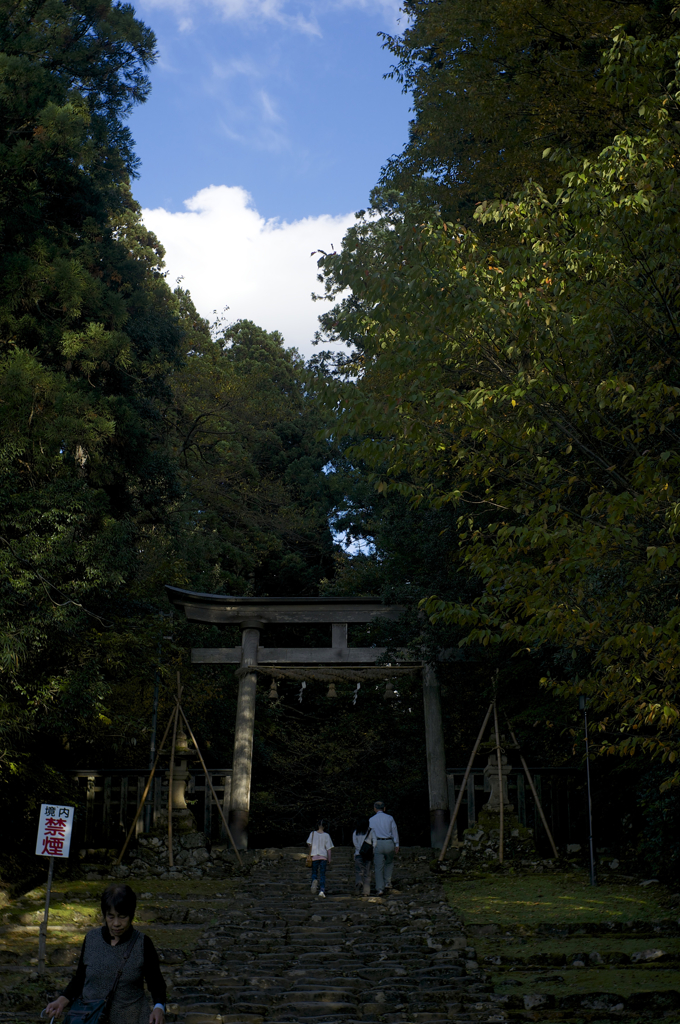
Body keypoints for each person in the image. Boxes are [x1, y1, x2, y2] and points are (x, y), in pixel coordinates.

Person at [43, 884, 166, 1024]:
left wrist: (159, 1008)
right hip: (91, 1018)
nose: (116, 923)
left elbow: (157, 984)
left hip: (132, 1017)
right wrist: (61, 1000)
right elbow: (81, 978)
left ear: (131, 915)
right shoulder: (91, 939)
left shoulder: (143, 943)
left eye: (122, 917)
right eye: (111, 916)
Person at [369, 800, 399, 896]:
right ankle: (387, 882)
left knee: (378, 867)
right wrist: (397, 844)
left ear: (374, 809)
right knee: (389, 863)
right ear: (384, 808)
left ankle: (380, 888)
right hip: (389, 842)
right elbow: (394, 831)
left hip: (377, 842)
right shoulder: (390, 818)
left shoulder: (371, 820)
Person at [306, 818, 334, 897]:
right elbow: (329, 849)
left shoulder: (312, 834)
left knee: (314, 872)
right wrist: (329, 858)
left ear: (318, 825)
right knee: (322, 874)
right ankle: (322, 890)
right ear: (325, 826)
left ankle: (314, 880)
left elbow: (309, 844)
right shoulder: (326, 836)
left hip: (314, 856)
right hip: (323, 856)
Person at [352, 817, 376, 896]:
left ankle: (359, 883)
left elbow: (355, 843)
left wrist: (359, 849)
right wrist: (372, 848)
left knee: (359, 871)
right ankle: (366, 891)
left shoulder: (356, 832)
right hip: (368, 854)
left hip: (358, 854)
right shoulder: (371, 831)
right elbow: (375, 842)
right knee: (367, 872)